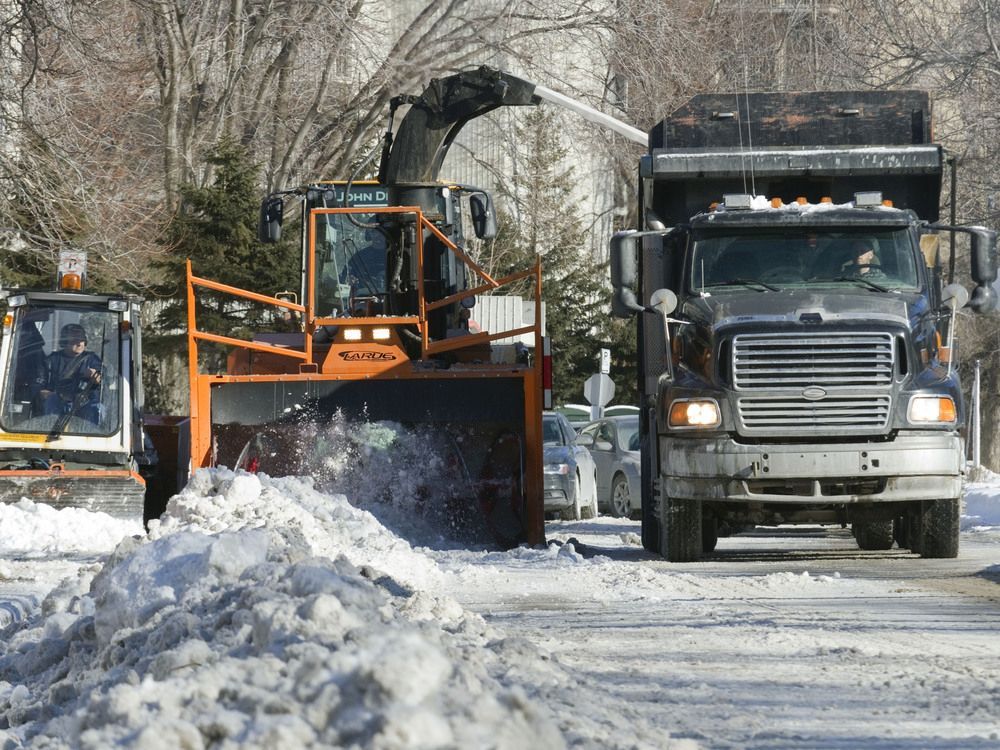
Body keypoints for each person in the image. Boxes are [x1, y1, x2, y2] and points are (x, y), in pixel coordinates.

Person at [40, 323, 103, 424]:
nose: (79, 343)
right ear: (64, 341)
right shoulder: (51, 360)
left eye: (82, 339)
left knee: (96, 407)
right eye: (75, 339)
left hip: (85, 404)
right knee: (51, 401)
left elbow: (106, 382)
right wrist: (52, 395)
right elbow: (39, 388)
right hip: (57, 404)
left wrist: (96, 377)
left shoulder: (92, 359)